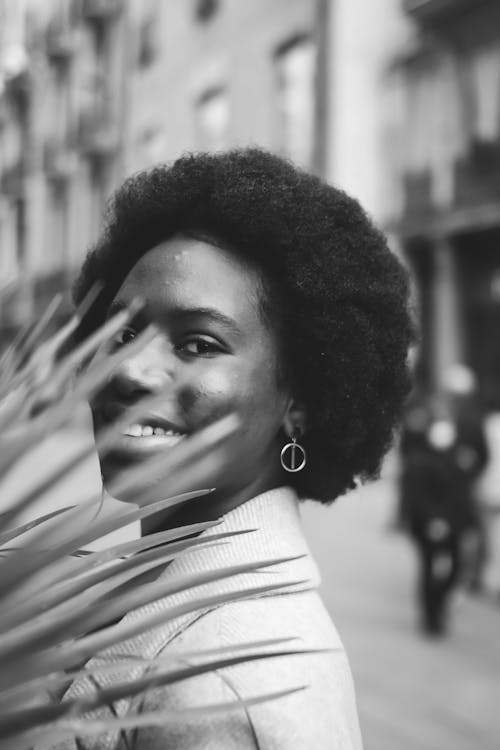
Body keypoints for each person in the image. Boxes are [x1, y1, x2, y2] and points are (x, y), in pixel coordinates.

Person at [57, 149, 413, 748]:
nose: (130, 369)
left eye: (198, 344)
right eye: (121, 332)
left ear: (299, 397)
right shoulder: (147, 589)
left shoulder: (224, 683)